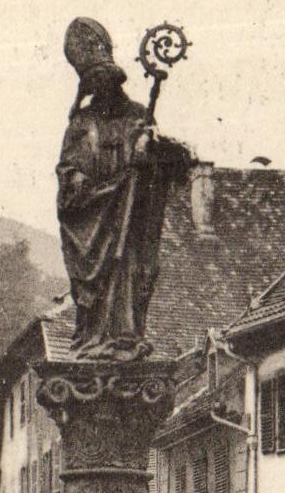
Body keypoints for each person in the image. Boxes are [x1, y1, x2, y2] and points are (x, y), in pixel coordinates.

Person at [56, 18, 189, 358]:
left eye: (106, 79)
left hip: (132, 223)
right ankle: (94, 336)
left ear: (116, 79)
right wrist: (92, 186)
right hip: (97, 224)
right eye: (94, 82)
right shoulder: (81, 124)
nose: (102, 87)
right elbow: (69, 177)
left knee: (129, 272)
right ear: (88, 86)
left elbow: (173, 166)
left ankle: (125, 334)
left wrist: (152, 155)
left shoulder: (138, 118)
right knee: (100, 283)